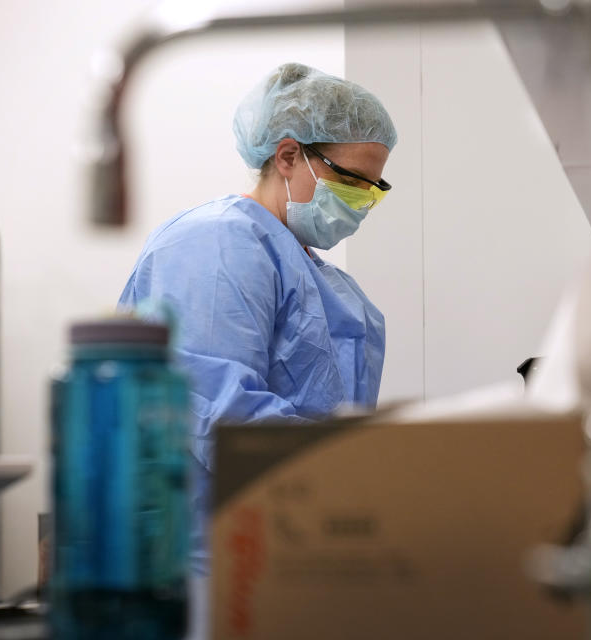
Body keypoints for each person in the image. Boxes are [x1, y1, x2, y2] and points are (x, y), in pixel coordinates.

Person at [118, 62, 397, 578]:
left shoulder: (320, 277)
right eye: (353, 181)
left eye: (374, 189)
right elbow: (214, 409)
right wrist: (342, 478)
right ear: (288, 155)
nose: (362, 202)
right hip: (200, 558)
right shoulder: (215, 244)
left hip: (279, 541)